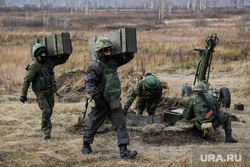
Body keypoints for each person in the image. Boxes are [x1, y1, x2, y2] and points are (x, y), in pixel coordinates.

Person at [81, 37, 138, 159]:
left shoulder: (113, 61)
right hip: (101, 100)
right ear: (99, 52)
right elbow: (89, 84)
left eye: (109, 51)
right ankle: (86, 146)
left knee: (121, 123)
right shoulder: (94, 65)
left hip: (114, 100)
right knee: (93, 124)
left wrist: (129, 47)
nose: (108, 53)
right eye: (105, 51)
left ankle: (124, 151)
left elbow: (129, 57)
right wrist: (96, 98)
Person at [20, 43, 69, 139]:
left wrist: (67, 50)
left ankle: (44, 124)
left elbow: (63, 59)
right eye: (41, 54)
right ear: (37, 55)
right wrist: (23, 95)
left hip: (50, 91)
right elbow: (27, 80)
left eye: (44, 53)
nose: (43, 55)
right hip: (40, 92)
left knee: (50, 110)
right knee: (46, 110)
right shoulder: (34, 67)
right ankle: (47, 132)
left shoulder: (49, 62)